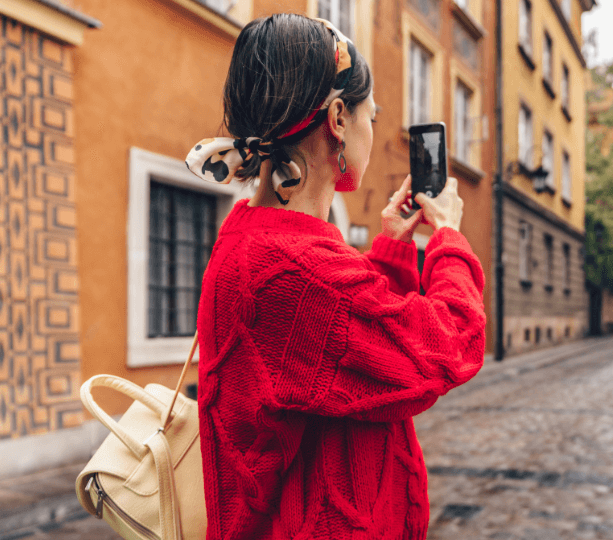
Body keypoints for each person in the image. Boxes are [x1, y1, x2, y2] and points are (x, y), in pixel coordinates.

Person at [186, 15, 486, 539]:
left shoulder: (259, 243)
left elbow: (340, 350)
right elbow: (445, 346)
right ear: (339, 119)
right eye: (374, 114)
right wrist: (448, 240)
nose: (375, 128)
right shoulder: (297, 268)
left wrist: (392, 248)